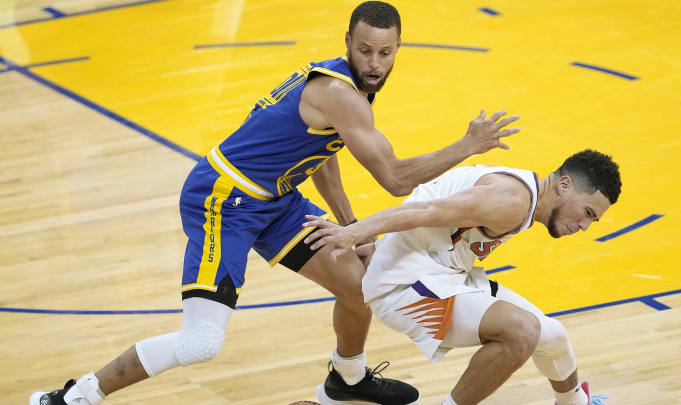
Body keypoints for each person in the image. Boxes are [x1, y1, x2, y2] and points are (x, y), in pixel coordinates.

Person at [29, 2, 521, 405]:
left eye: (385, 53)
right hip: (223, 199)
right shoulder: (341, 95)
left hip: (275, 199)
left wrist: (350, 228)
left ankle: (346, 378)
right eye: (365, 50)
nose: (374, 62)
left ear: (397, 51)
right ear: (346, 42)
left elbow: (320, 155)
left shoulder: (346, 92)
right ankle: (74, 396)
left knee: (356, 281)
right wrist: (467, 145)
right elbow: (394, 180)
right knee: (201, 342)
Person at [302, 150, 621, 405]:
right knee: (522, 332)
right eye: (588, 213)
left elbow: (428, 216)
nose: (584, 226)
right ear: (564, 185)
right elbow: (424, 210)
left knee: (552, 335)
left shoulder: (524, 195)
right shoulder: (510, 200)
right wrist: (353, 233)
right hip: (403, 286)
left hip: (439, 272)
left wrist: (378, 244)